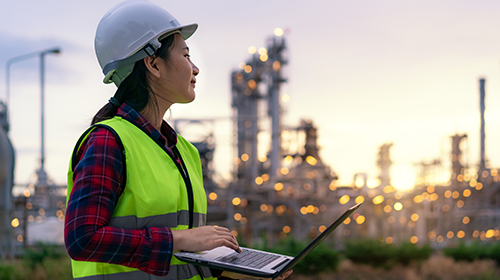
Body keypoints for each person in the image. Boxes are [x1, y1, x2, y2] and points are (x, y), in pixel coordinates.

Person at [64, 1, 292, 280]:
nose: (195, 69)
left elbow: (183, 262)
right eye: (186, 55)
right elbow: (83, 239)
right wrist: (179, 239)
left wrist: (233, 273)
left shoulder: (184, 152)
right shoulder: (109, 141)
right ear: (153, 64)